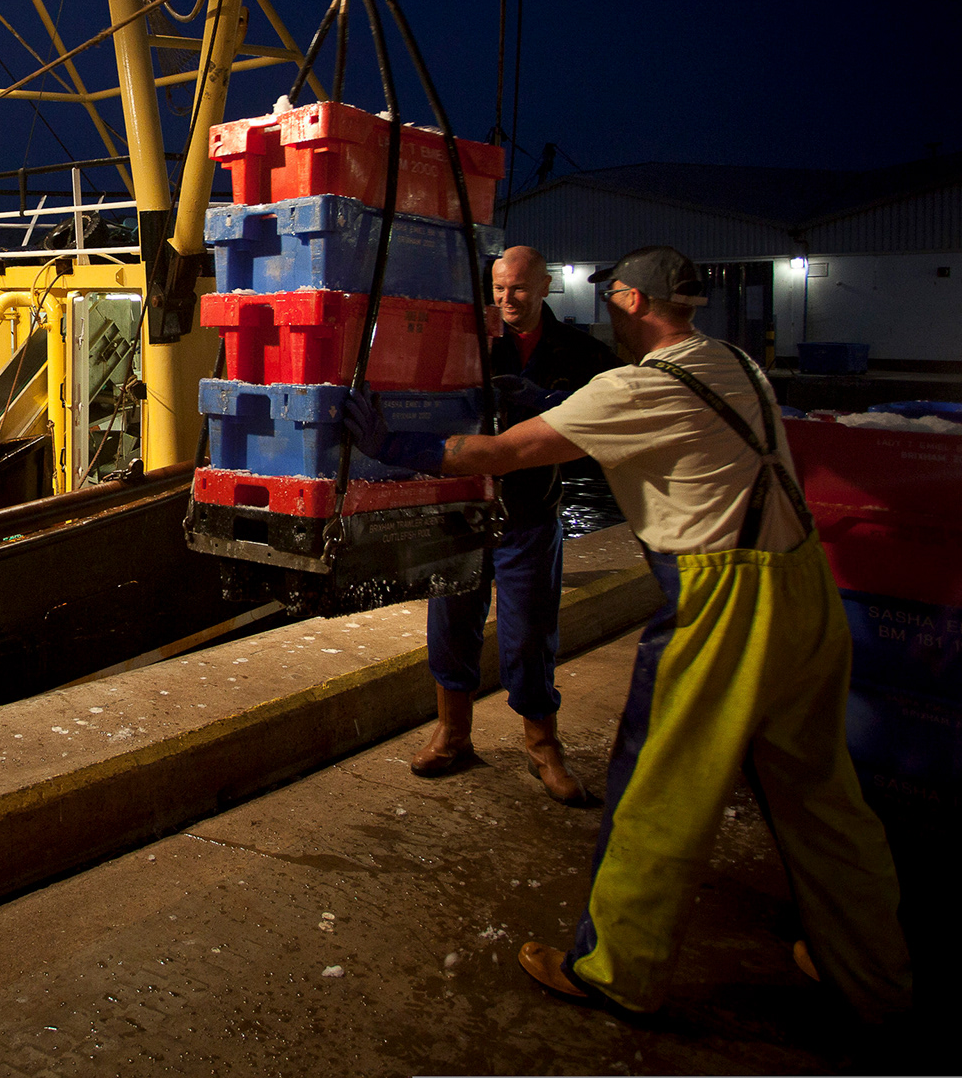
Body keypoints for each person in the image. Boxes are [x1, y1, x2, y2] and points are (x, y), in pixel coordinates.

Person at [343, 245, 911, 1023]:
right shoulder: (737, 363)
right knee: (820, 792)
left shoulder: (637, 385)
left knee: (658, 786)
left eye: (611, 297)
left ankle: (617, 969)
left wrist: (391, 443)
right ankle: (869, 969)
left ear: (631, 299)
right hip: (804, 586)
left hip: (724, 596)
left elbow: (503, 452)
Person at [411, 245, 619, 803]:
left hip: (529, 513)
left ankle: (542, 745)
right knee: (450, 625)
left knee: (529, 632)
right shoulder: (467, 343)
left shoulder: (581, 353)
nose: (508, 299)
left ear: (546, 286)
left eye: (520, 288)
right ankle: (452, 732)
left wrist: (549, 402)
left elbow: (610, 419)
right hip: (459, 510)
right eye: (499, 288)